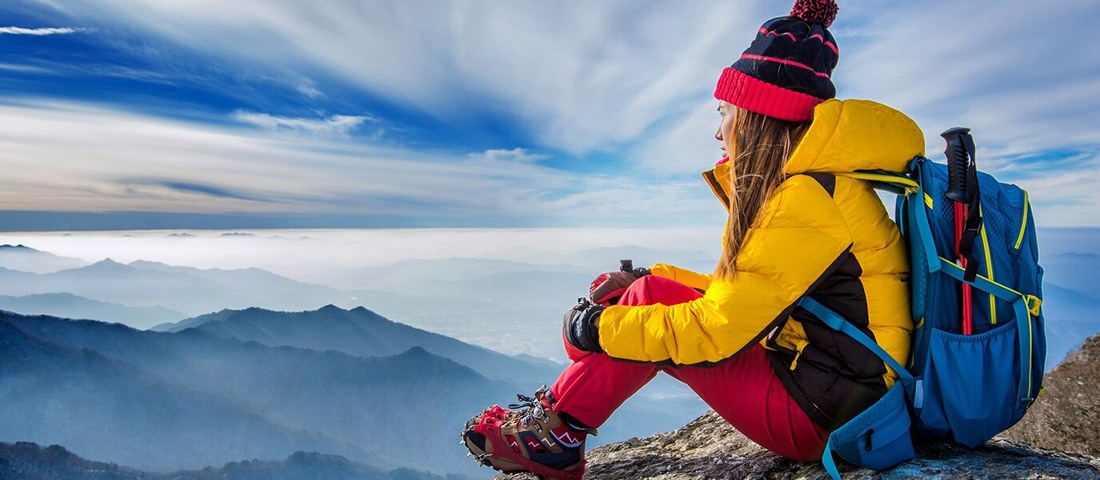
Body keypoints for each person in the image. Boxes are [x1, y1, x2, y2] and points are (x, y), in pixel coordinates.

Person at [463, 0, 925, 478]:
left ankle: (553, 437)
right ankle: (557, 427)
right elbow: (751, 294)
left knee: (652, 325)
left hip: (827, 414)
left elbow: (715, 330)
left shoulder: (802, 201)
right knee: (647, 296)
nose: (717, 130)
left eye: (724, 111)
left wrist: (596, 328)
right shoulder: (813, 186)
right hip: (827, 383)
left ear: (755, 114)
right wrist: (649, 280)